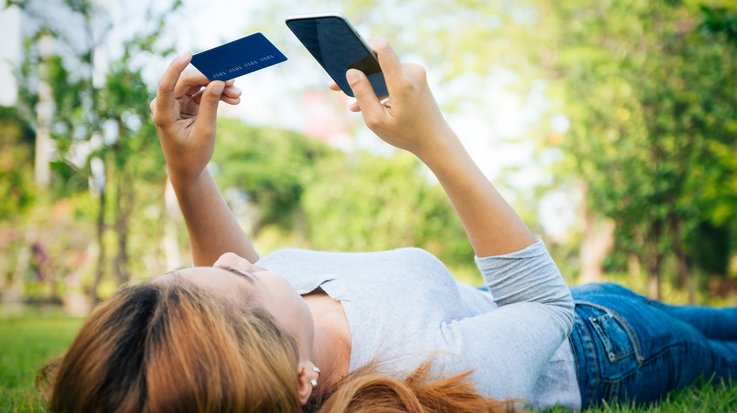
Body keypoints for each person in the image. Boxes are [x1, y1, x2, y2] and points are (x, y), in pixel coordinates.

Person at [39, 40, 737, 413]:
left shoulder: (267, 340)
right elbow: (542, 308)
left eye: (190, 275)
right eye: (242, 288)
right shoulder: (413, 370)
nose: (229, 262)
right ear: (300, 382)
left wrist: (187, 173)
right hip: (605, 351)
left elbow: (222, 297)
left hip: (596, 300)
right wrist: (432, 140)